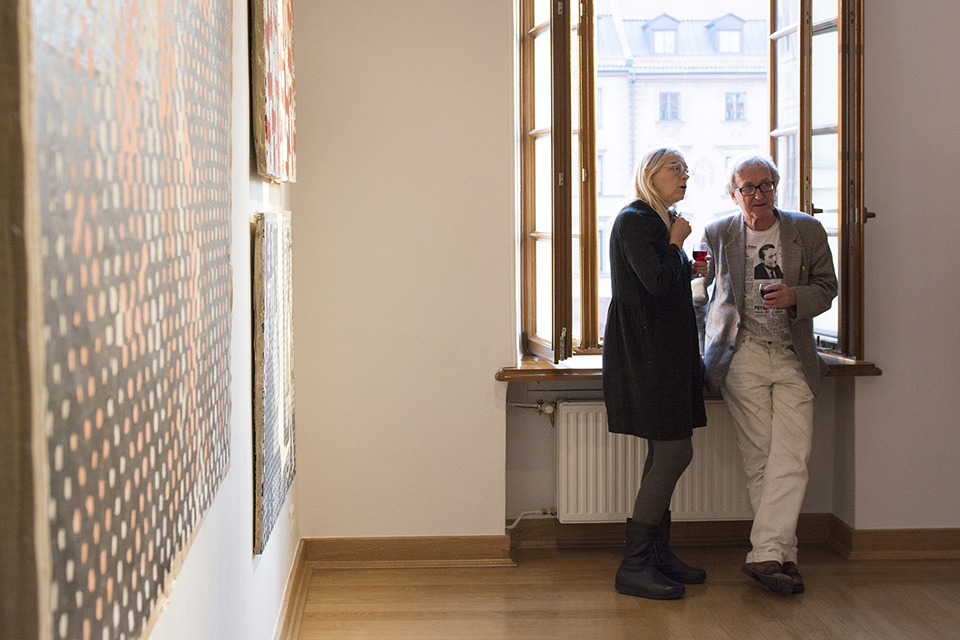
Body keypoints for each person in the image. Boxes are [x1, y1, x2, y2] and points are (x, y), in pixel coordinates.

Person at [693, 155, 838, 596]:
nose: (758, 195)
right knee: (760, 457)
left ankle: (765, 555)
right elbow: (697, 295)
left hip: (793, 353)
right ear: (733, 194)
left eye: (766, 185)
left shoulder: (806, 230)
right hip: (742, 355)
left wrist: (795, 296)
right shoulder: (717, 233)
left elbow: (827, 287)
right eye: (748, 188)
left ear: (776, 187)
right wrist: (699, 347)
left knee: (792, 454)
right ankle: (781, 557)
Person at [602, 147, 709, 600]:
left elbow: (667, 283)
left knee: (662, 451)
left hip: (666, 354)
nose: (685, 175)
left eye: (686, 168)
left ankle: (657, 555)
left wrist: (687, 262)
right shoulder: (636, 220)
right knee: (674, 452)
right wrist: (677, 243)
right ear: (650, 174)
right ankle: (635, 565)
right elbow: (657, 283)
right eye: (675, 168)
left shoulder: (657, 220)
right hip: (649, 357)